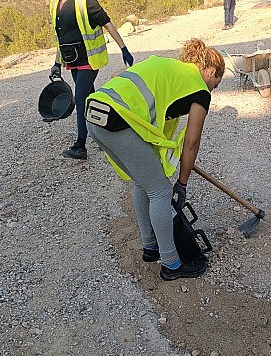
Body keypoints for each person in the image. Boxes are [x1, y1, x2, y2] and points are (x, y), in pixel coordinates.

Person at [85, 39, 225, 281]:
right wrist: (181, 183)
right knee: (160, 192)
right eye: (216, 83)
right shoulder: (199, 89)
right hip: (117, 121)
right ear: (211, 71)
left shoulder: (169, 69)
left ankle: (151, 247)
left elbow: (124, 79)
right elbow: (192, 142)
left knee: (143, 183)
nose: (213, 89)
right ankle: (172, 264)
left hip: (95, 114)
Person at [41, 0, 134, 160]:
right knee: (91, 98)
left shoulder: (85, 0)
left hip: (89, 60)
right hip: (71, 60)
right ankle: (106, 135)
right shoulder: (54, 4)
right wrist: (56, 63)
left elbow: (107, 23)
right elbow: (60, 38)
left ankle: (80, 146)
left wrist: (124, 49)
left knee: (82, 98)